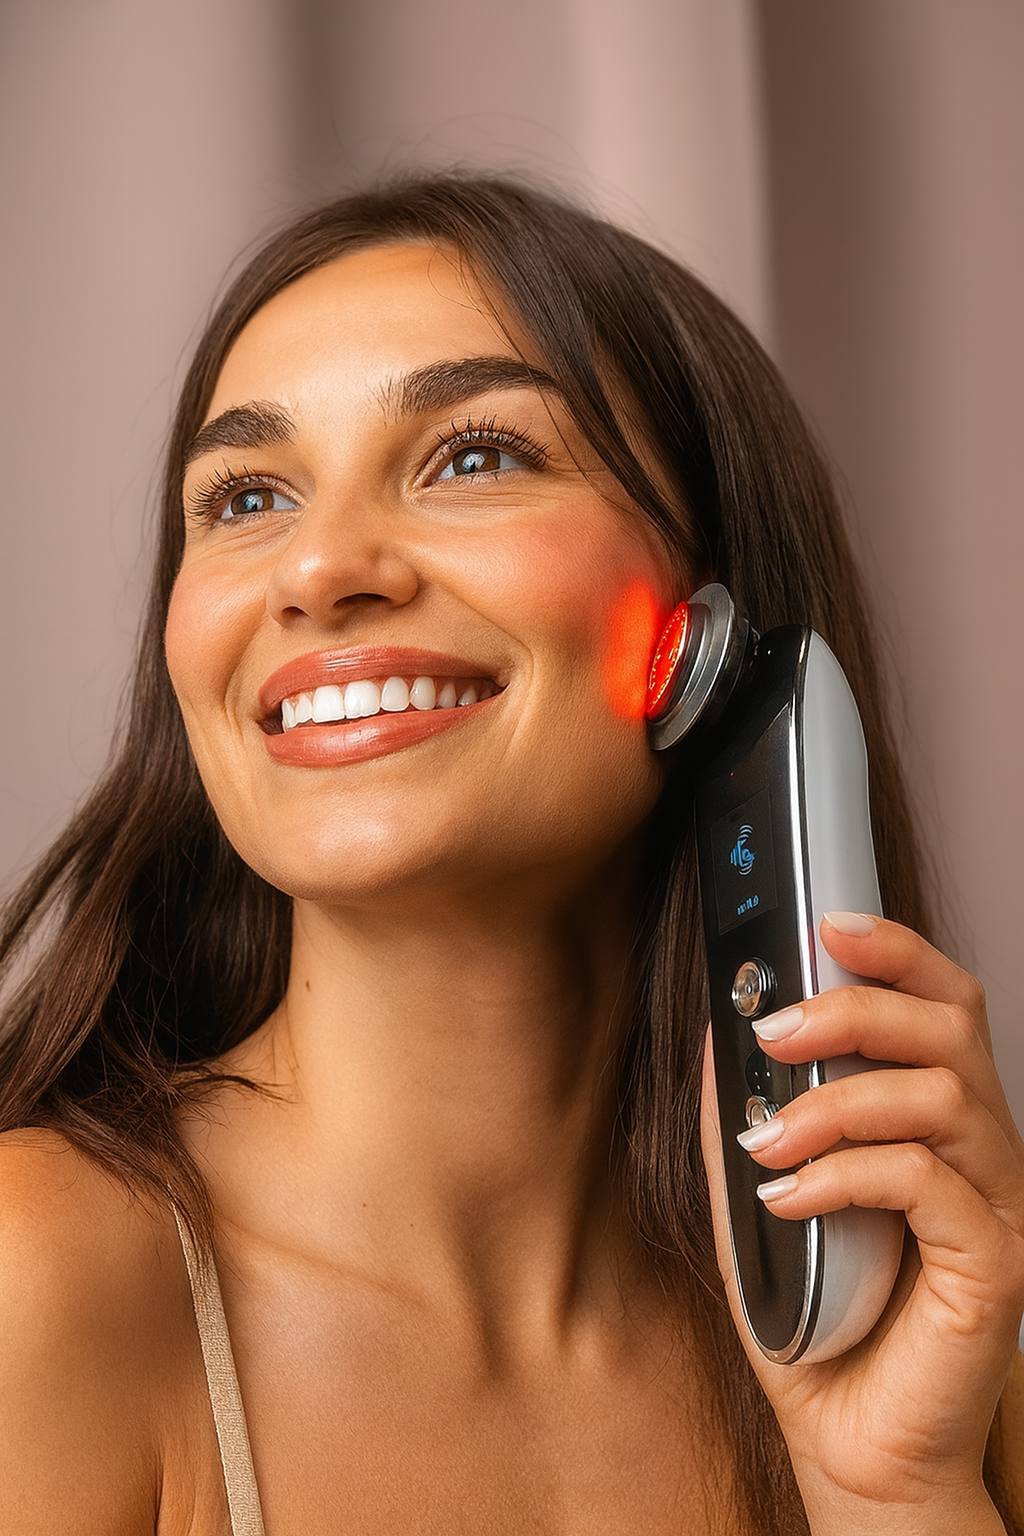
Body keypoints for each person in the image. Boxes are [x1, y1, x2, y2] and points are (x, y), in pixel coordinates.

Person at [1, 169, 1021, 1535]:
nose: (318, 570)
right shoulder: (41, 1283)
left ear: (703, 639)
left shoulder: (903, 1324)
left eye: (473, 457)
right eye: (245, 497)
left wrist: (894, 1491)